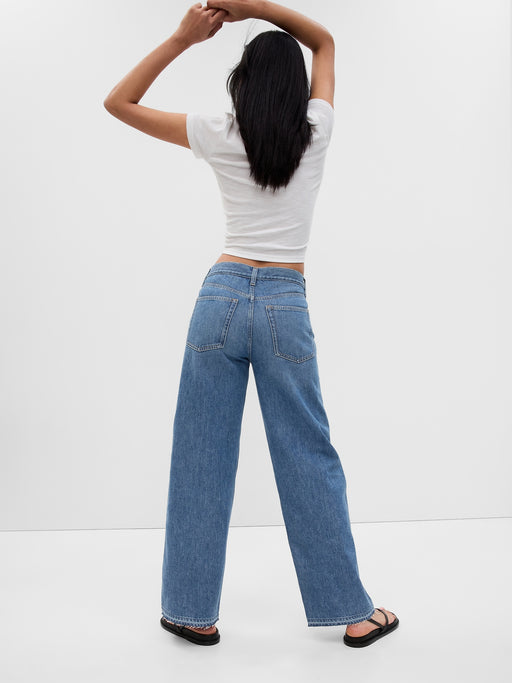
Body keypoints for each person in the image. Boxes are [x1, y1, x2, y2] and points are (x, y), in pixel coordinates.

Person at [104, 0, 399, 648]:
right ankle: (352, 613)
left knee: (201, 454)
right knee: (308, 453)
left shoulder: (219, 130)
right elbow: (324, 43)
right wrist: (256, 8)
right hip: (285, 304)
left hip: (220, 296)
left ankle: (191, 611)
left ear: (242, 81)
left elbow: (117, 103)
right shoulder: (316, 129)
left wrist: (184, 38)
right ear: (297, 86)